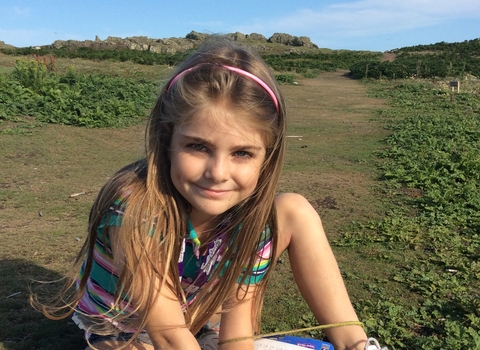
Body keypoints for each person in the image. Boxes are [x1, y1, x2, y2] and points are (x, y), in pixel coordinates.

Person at [34, 38, 374, 350]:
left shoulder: (252, 218)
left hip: (199, 320)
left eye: (242, 153)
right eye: (198, 146)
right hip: (126, 329)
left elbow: (239, 326)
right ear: (167, 140)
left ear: (266, 158)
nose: (218, 173)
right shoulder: (135, 207)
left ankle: (358, 345)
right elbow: (168, 334)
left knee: (294, 209)